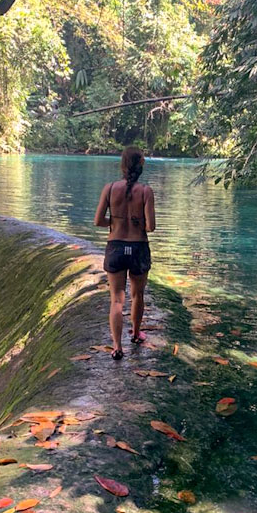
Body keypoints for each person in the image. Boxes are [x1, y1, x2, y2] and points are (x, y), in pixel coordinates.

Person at [94, 146, 156, 360]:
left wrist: (117, 221)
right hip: (138, 247)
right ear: (141, 165)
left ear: (122, 165)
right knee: (138, 294)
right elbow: (151, 227)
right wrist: (135, 221)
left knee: (116, 299)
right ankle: (137, 334)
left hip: (116, 247)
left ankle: (117, 346)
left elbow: (98, 221)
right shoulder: (146, 191)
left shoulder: (110, 189)